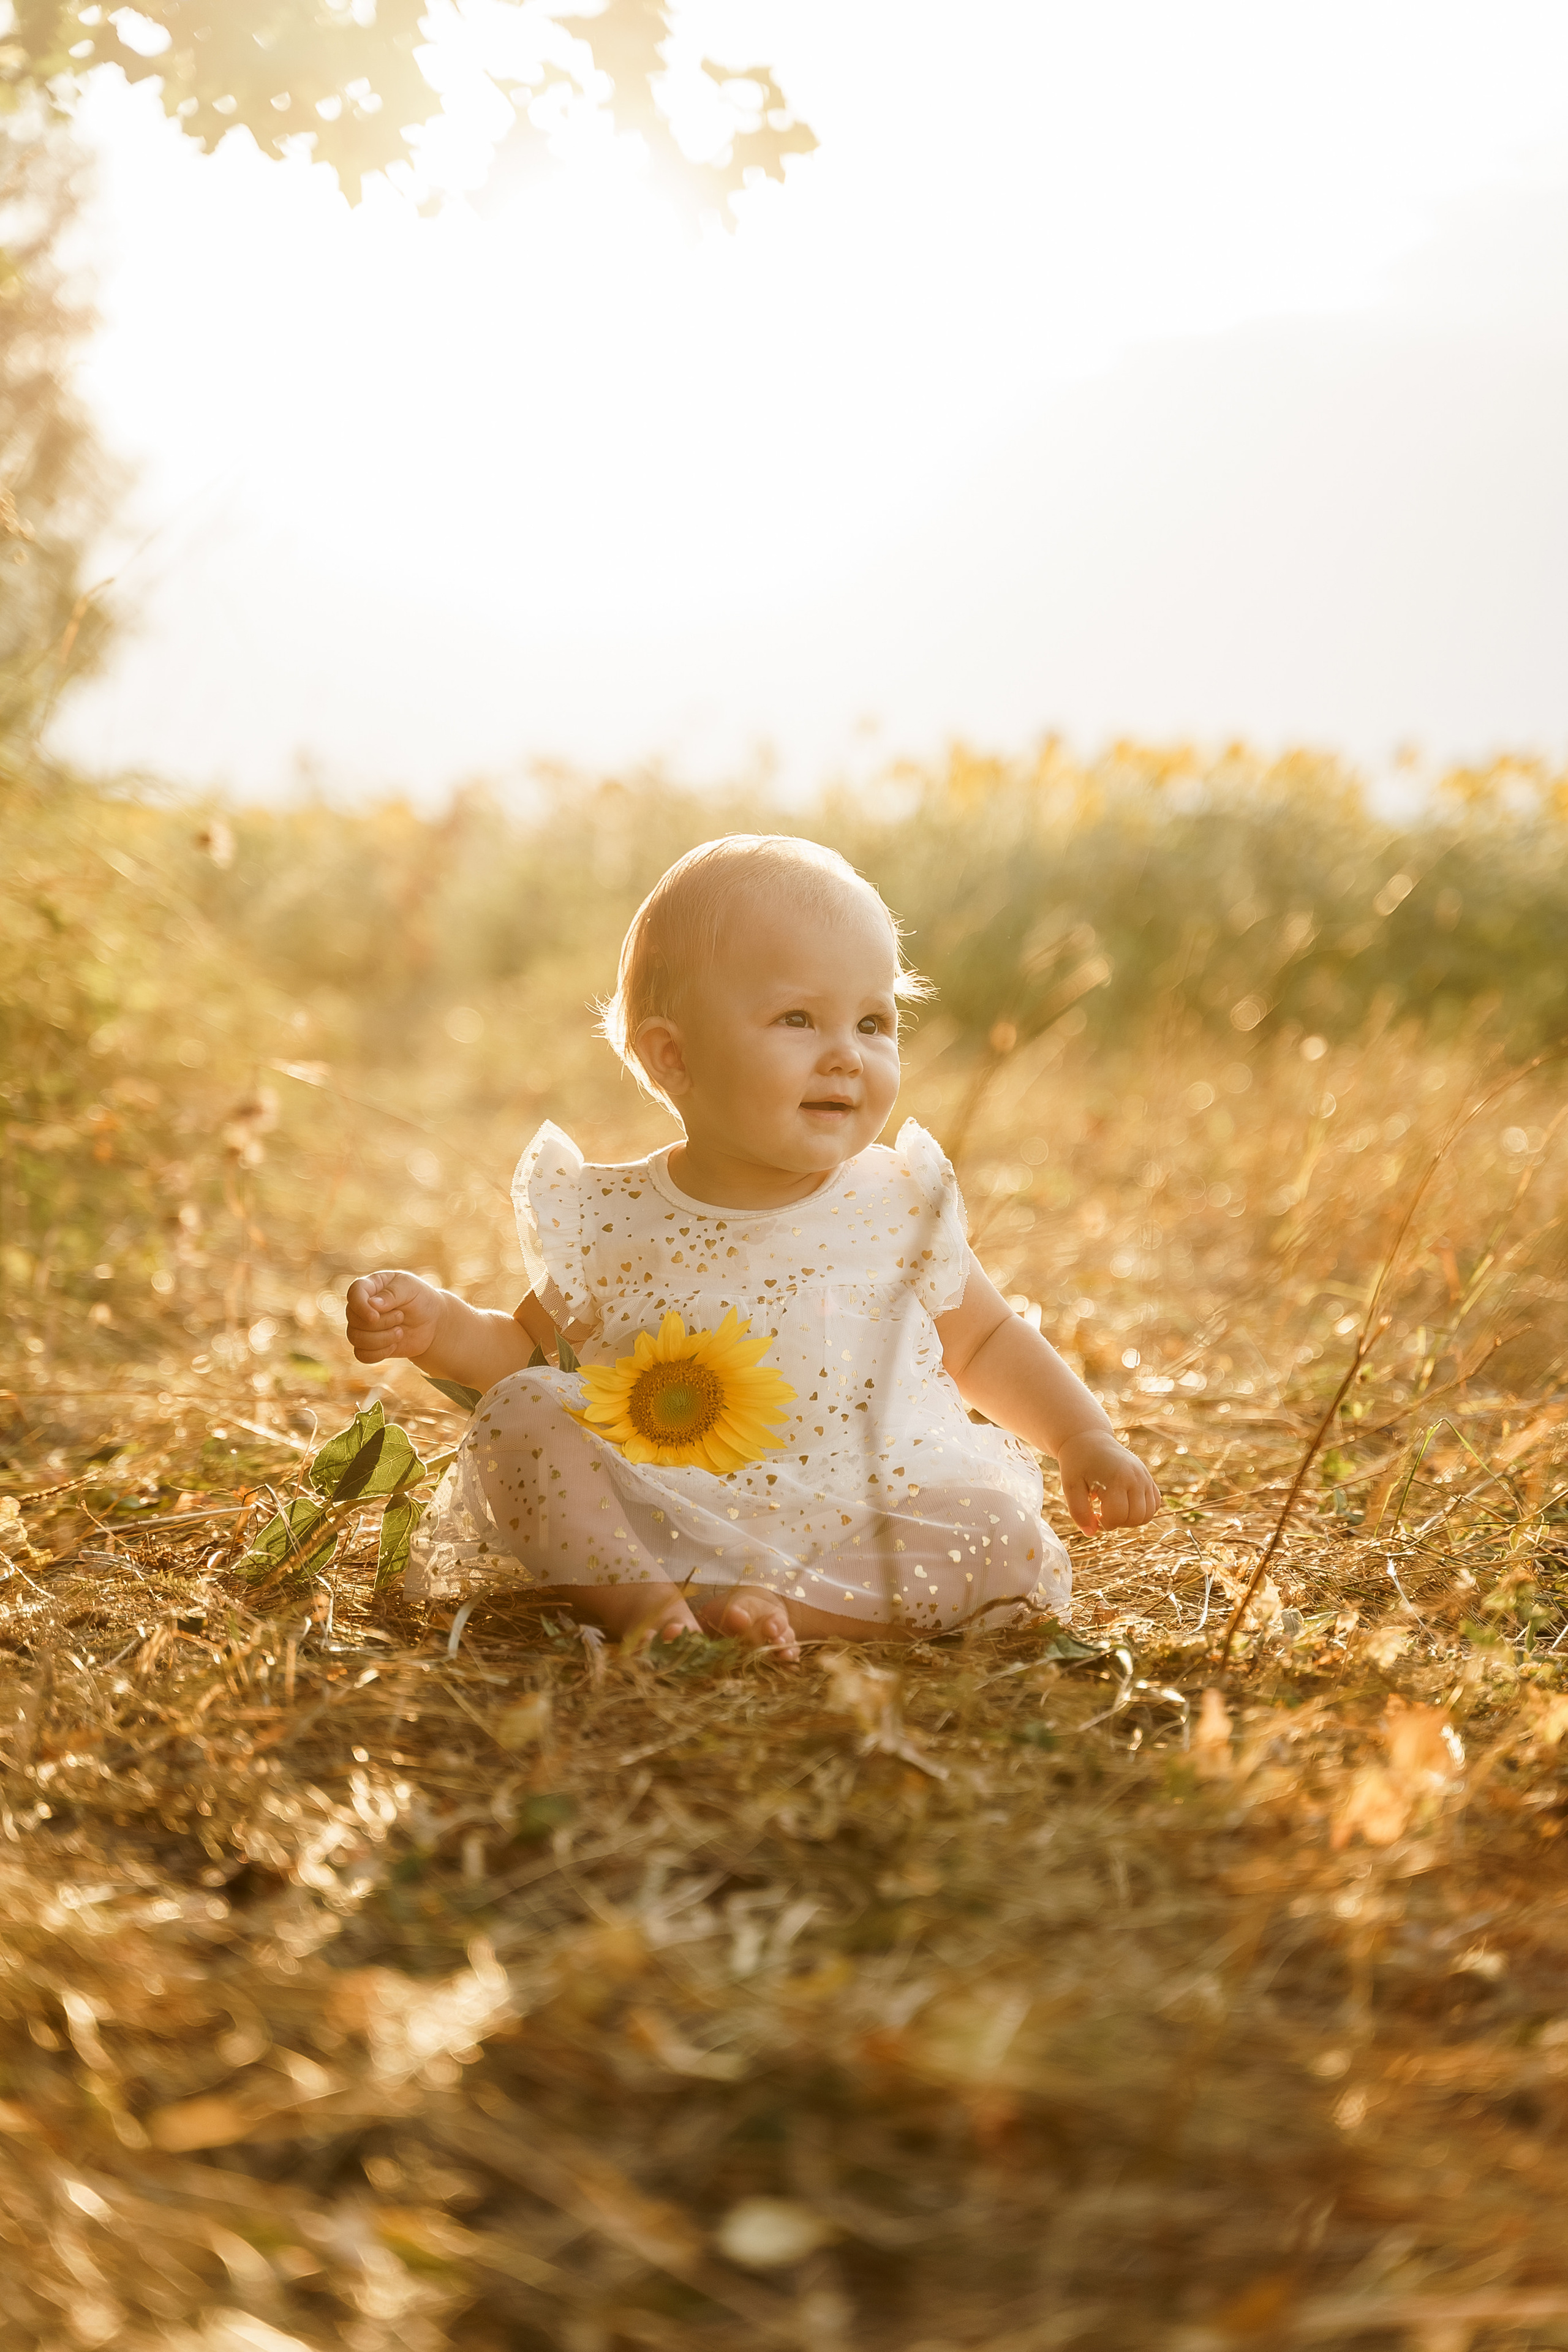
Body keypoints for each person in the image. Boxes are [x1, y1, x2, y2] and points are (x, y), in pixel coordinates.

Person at [346, 835, 1159, 1659]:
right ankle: (646, 1604)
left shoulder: (894, 1201)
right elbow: (526, 1356)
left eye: (873, 1021)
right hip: (655, 1520)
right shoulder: (617, 1216)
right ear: (676, 1056)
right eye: (798, 1018)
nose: (847, 1052)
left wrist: (1079, 1435)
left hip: (862, 1524)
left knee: (998, 1534)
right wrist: (439, 1328)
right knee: (522, 1417)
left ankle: (777, 1609)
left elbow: (984, 1340)